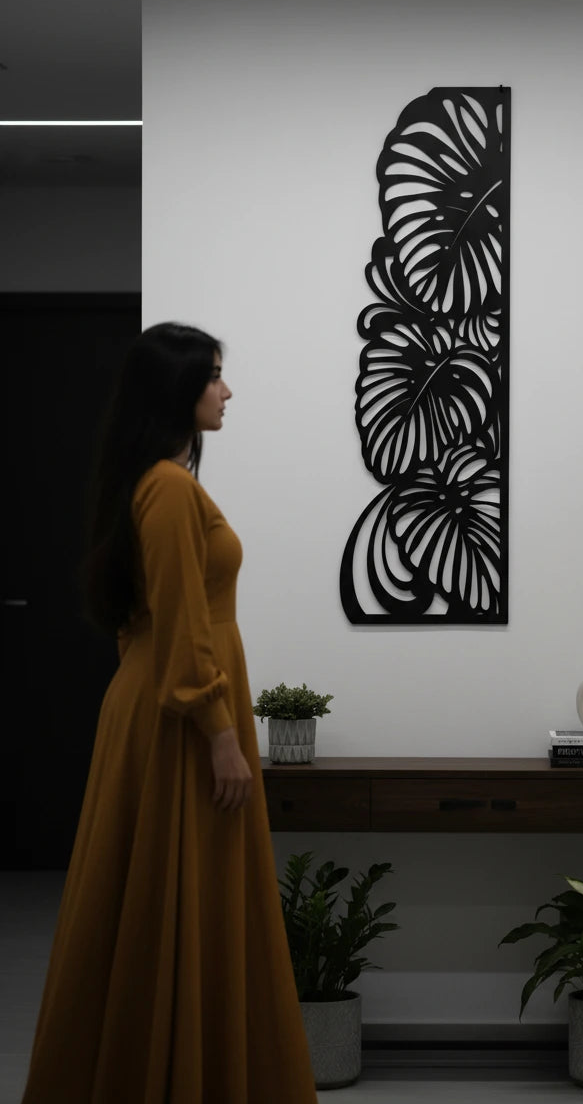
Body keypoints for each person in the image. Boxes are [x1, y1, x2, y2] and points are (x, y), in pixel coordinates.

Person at [21, 322, 318, 1104]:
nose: (227, 390)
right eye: (214, 375)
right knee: (172, 896)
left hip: (164, 709)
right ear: (177, 389)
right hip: (182, 722)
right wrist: (219, 733)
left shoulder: (154, 484)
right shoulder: (170, 488)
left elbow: (139, 623)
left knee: (167, 897)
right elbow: (183, 621)